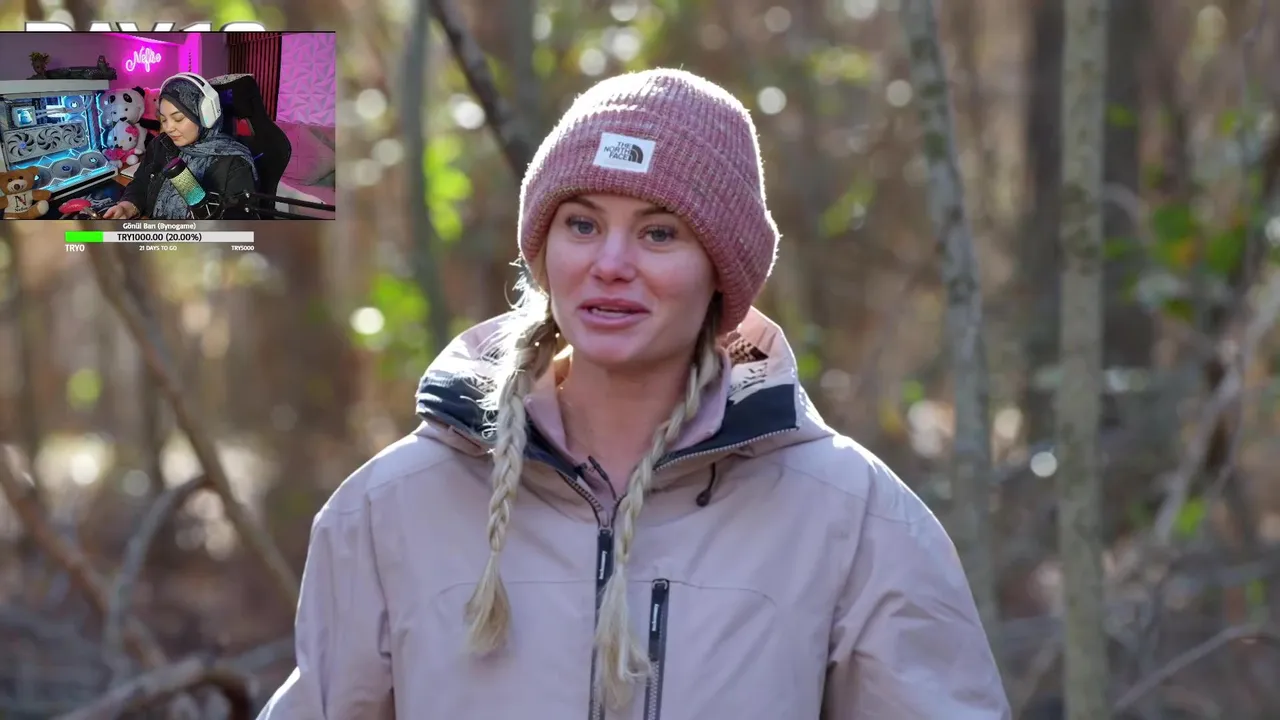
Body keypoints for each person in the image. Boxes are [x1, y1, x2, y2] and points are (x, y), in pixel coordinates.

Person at [257, 69, 1011, 719]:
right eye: (582, 224)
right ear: (544, 253)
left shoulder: (851, 519)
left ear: (721, 271)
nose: (611, 263)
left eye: (659, 234)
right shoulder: (391, 509)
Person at [103, 73, 258, 220]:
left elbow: (236, 228)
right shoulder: (160, 144)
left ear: (205, 116)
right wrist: (127, 207)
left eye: (178, 119)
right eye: (163, 119)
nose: (168, 128)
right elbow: (141, 182)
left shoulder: (234, 164)